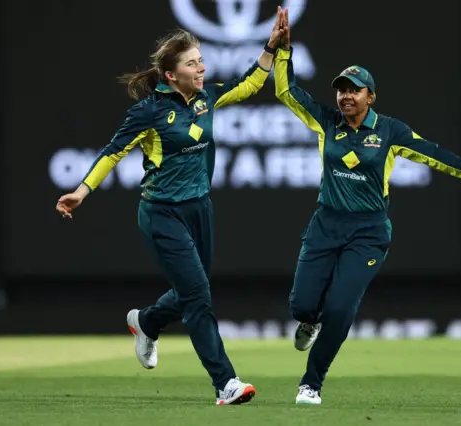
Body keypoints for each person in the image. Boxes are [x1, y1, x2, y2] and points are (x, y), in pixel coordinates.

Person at [55, 8, 287, 406]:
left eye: (201, 61)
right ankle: (225, 383)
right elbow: (113, 152)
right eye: (192, 63)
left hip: (200, 210)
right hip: (162, 213)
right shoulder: (149, 112)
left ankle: (145, 321)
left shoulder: (207, 97)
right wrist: (82, 190)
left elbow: (250, 84)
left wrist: (271, 46)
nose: (201, 68)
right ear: (170, 75)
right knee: (198, 297)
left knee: (190, 291)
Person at [273, 10, 461, 405]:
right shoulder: (327, 122)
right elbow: (288, 93)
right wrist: (284, 52)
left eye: (354, 90)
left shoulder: (389, 130)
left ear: (370, 96)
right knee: (302, 305)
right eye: (341, 89)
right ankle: (309, 320)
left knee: (341, 308)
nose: (345, 96)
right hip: (326, 224)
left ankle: (311, 383)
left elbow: (429, 152)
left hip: (368, 233)